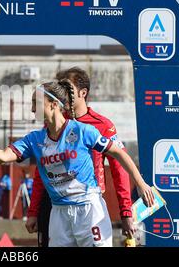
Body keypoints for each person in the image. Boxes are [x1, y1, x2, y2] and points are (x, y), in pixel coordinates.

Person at [0, 79, 154, 246]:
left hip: (89, 209)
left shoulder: (82, 131)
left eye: (36, 102)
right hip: (58, 213)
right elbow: (3, 157)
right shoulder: (34, 139)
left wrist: (141, 183)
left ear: (54, 104)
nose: (31, 109)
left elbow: (118, 153)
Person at [29, 67, 136, 247]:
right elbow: (42, 171)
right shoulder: (52, 124)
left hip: (88, 206)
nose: (63, 92)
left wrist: (126, 212)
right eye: (60, 87)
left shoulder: (102, 125)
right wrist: (33, 211)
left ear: (83, 93)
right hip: (55, 205)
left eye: (67, 88)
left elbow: (119, 169)